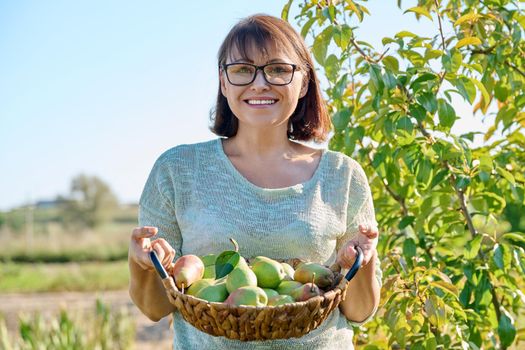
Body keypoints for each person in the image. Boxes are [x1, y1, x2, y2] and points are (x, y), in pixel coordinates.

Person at [128, 14, 381, 350]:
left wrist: (360, 262)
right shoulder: (177, 171)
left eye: (278, 69)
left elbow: (361, 311)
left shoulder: (342, 175)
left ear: (303, 82)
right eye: (243, 69)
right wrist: (142, 263)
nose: (260, 83)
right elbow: (155, 308)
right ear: (223, 81)